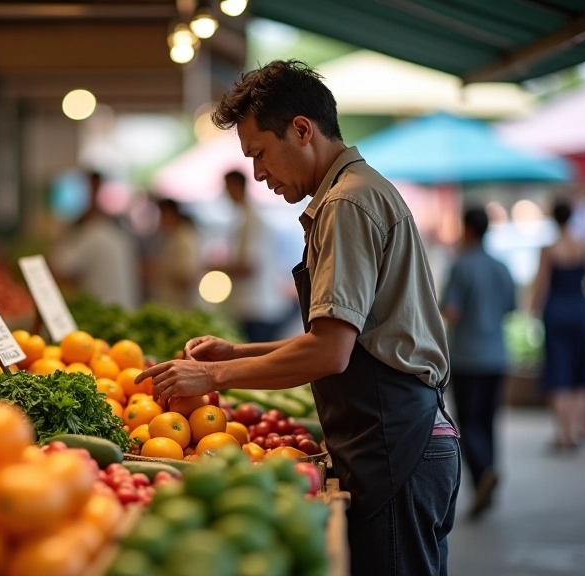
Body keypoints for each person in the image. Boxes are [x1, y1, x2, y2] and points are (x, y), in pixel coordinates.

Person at [137, 60, 459, 576]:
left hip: (396, 442)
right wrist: (236, 352)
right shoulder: (351, 192)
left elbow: (330, 354)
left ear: (302, 130)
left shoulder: (347, 204)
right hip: (394, 437)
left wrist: (214, 374)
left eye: (260, 154)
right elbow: (336, 336)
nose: (259, 174)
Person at [440, 206, 515, 520]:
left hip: (468, 357)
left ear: (467, 229)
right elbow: (511, 308)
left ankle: (483, 473)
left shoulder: (461, 265)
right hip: (497, 355)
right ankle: (490, 473)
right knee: (487, 421)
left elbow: (452, 313)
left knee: (469, 422)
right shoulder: (501, 267)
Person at [530, 199, 585, 450]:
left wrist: (532, 312)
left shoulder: (549, 249)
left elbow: (541, 285)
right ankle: (575, 431)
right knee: (581, 372)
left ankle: (563, 434)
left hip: (556, 312)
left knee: (558, 372)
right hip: (580, 311)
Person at [221, 171, 299, 342]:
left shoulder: (252, 220)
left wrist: (217, 267)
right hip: (253, 305)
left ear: (237, 186)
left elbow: (249, 266)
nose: (225, 193)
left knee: (254, 359)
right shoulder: (245, 218)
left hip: (257, 306)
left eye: (227, 188)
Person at [50, 171, 140, 310]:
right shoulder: (118, 234)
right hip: (122, 309)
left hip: (103, 311)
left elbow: (59, 267)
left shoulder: (93, 235)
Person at [147, 198, 202, 309]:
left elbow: (187, 278)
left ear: (170, 214)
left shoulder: (184, 239)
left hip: (180, 308)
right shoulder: (173, 237)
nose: (159, 221)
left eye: (161, 216)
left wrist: (160, 271)